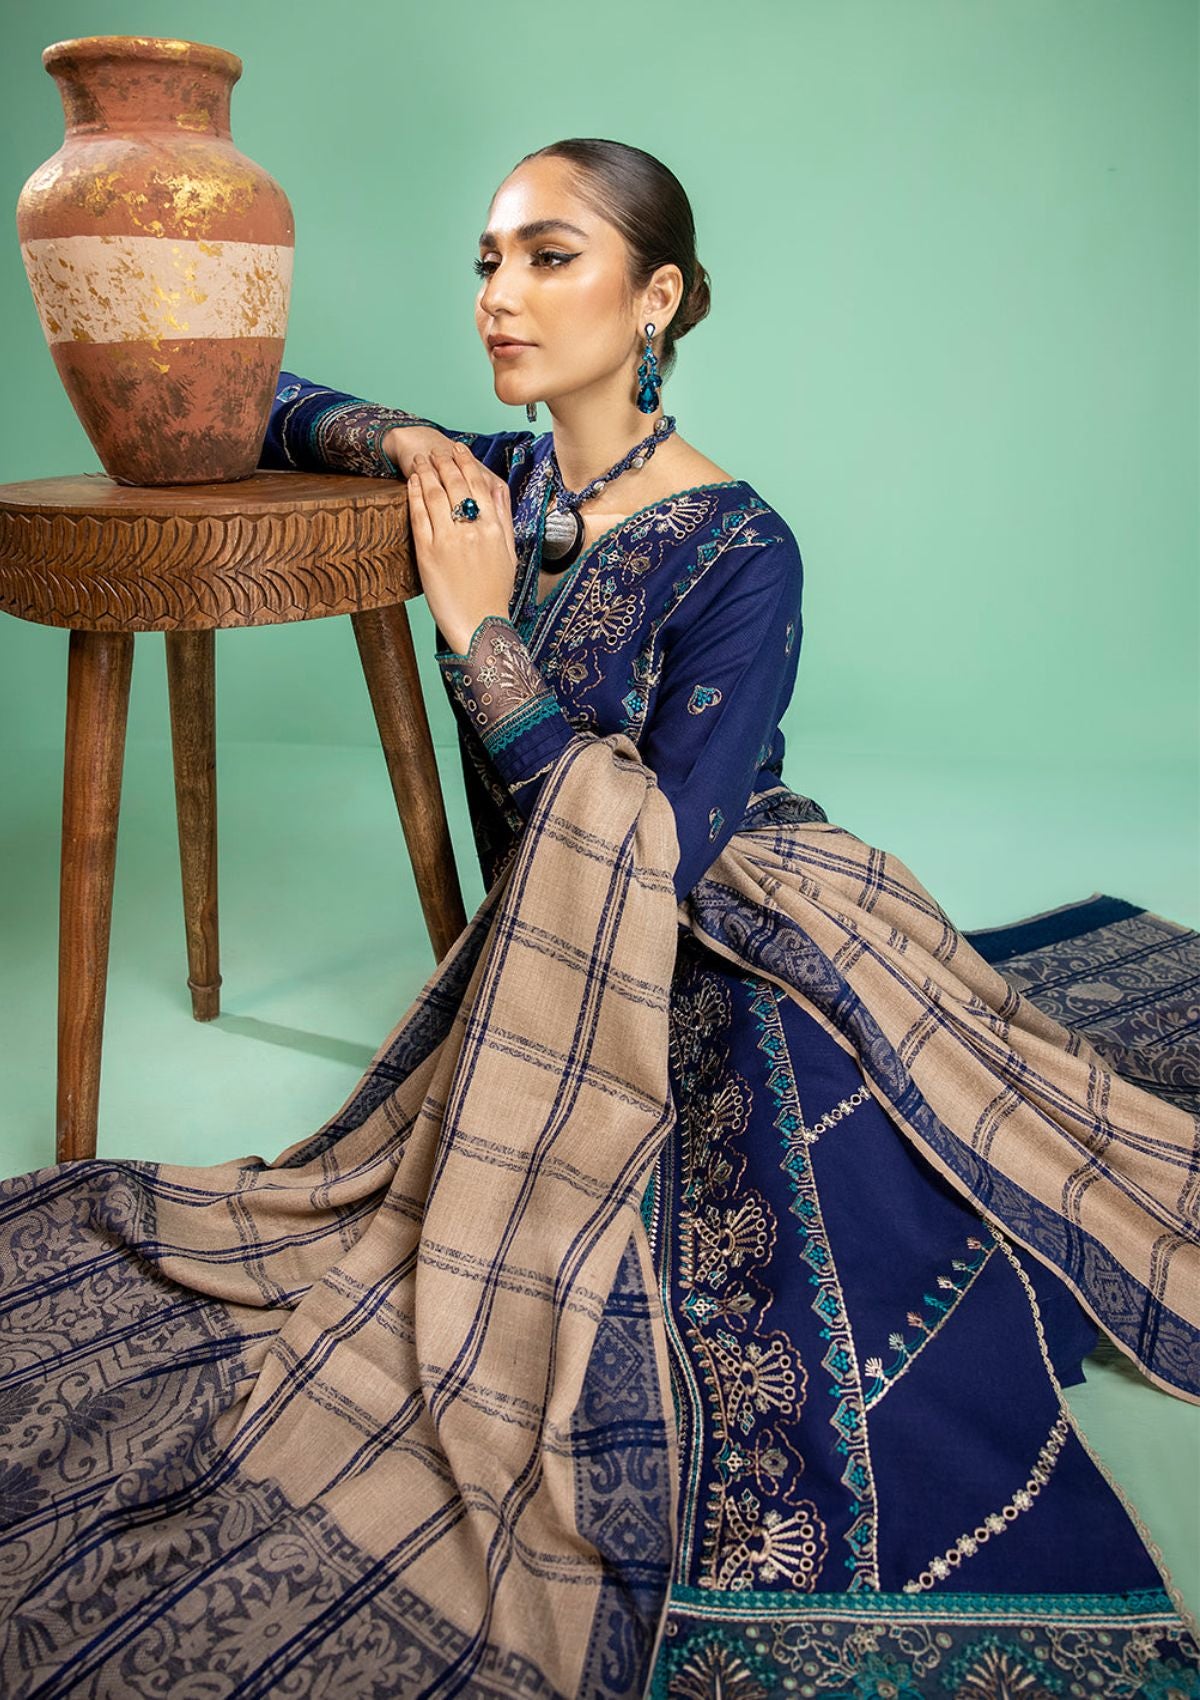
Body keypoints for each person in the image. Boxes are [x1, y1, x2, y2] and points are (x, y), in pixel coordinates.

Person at [1, 138, 1197, 1700]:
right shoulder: (494, 483)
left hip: (740, 922)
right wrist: (410, 438)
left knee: (775, 1187)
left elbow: (671, 859)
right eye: (488, 260)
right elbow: (264, 397)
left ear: (659, 298)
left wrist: (481, 634)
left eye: (550, 257)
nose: (499, 294)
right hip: (557, 930)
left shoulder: (743, 547)